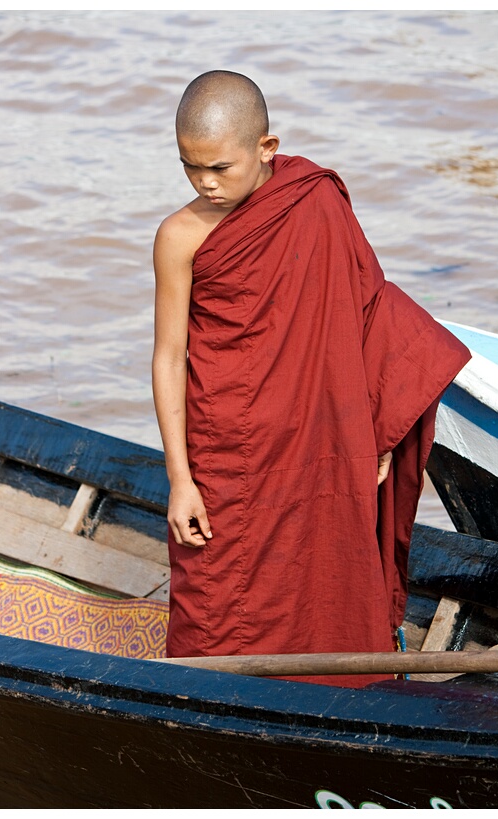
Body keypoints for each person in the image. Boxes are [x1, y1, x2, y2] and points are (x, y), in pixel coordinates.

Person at [152, 70, 471, 687]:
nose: (205, 183)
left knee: (322, 573)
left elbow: (370, 311)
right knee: (214, 599)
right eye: (190, 167)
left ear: (267, 150)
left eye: (220, 167)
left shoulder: (313, 201)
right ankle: (205, 703)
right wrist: (179, 479)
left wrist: (378, 436)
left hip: (317, 442)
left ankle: (337, 689)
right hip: (223, 449)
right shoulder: (180, 236)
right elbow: (169, 357)